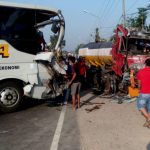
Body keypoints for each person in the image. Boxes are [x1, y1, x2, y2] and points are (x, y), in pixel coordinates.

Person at [137, 58, 150, 128]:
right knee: (149, 108)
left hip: (144, 93)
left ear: (145, 64)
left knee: (141, 106)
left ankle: (148, 119)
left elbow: (139, 84)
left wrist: (139, 89)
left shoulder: (140, 72)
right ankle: (148, 122)